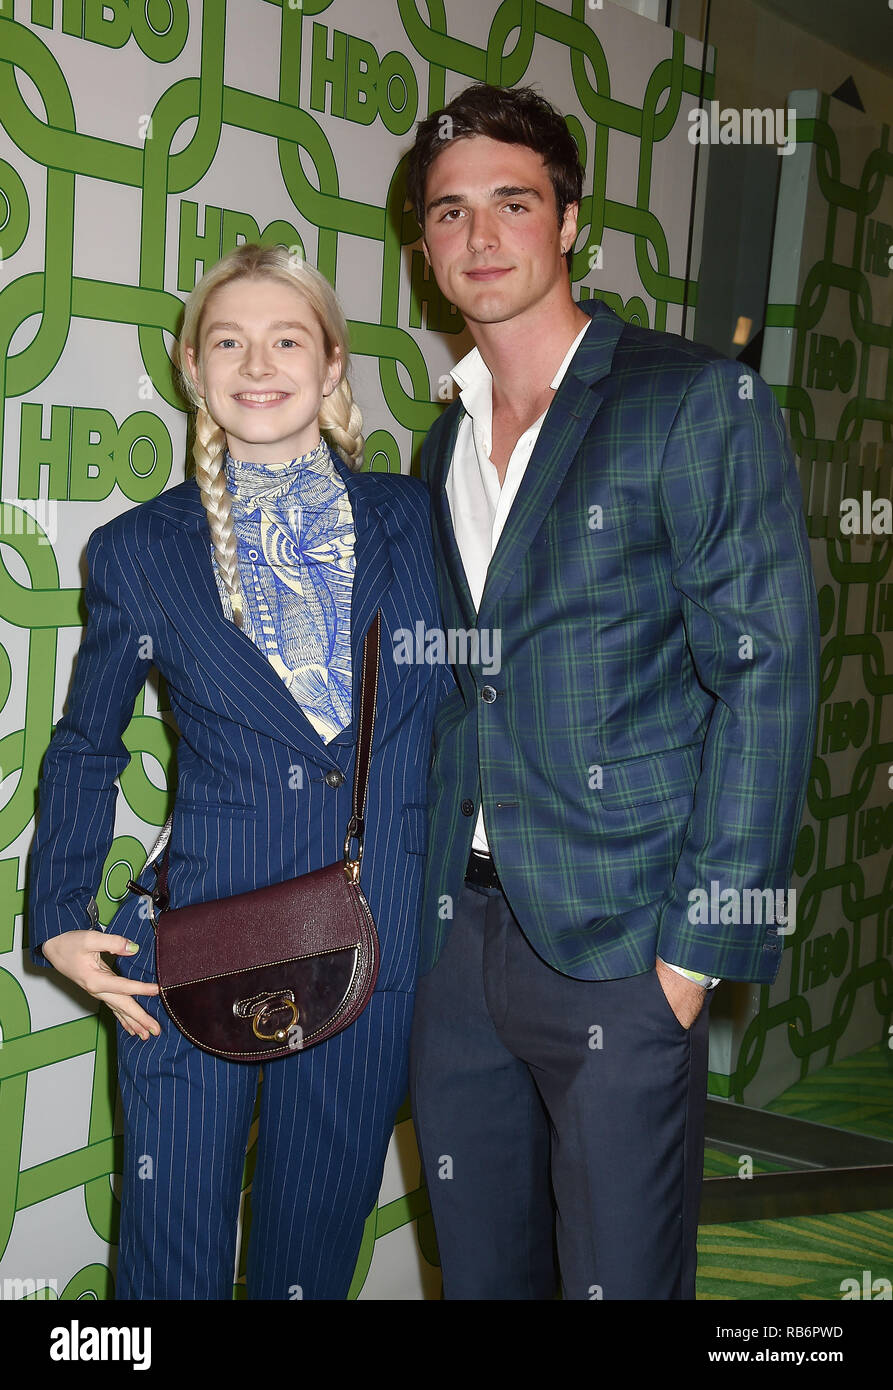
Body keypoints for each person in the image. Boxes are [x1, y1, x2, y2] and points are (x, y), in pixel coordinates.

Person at [404, 84, 820, 1300]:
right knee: (482, 1272)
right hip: (455, 940)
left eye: (511, 204)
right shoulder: (441, 441)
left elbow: (766, 678)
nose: (479, 237)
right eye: (448, 213)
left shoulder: (689, 401)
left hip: (622, 944)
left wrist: (690, 956)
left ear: (569, 220)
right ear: (426, 249)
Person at [28, 243, 447, 1300]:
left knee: (307, 1260)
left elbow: (473, 716)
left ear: (332, 360)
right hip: (192, 951)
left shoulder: (420, 519)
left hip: (372, 947)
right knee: (166, 1265)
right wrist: (58, 913)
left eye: (286, 338)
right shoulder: (138, 550)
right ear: (191, 367)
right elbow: (88, 742)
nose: (256, 363)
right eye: (228, 340)